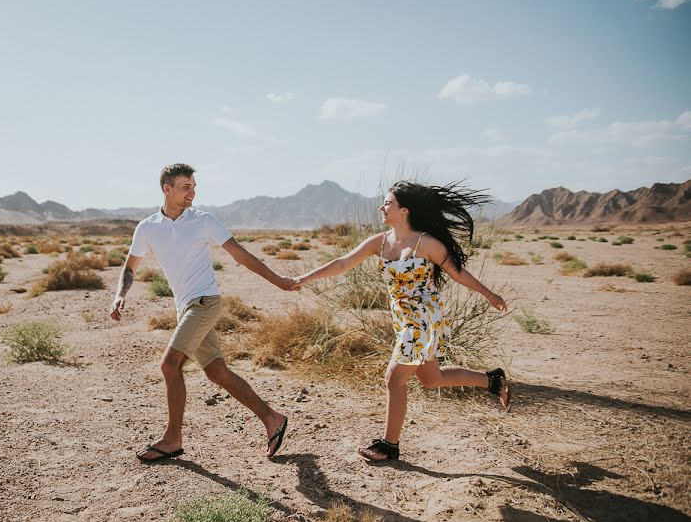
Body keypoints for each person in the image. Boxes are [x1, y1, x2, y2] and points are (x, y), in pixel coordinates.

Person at [293, 181, 510, 461]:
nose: (381, 208)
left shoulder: (426, 244)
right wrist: (304, 278)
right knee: (433, 378)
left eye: (387, 203)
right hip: (403, 319)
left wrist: (489, 295)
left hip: (423, 318)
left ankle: (389, 445)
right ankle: (492, 381)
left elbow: (458, 273)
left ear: (404, 210)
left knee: (394, 379)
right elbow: (343, 262)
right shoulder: (379, 241)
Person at [110, 163, 297, 462]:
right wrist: (120, 295)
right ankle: (272, 418)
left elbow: (240, 255)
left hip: (205, 302)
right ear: (166, 188)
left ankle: (172, 439)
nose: (192, 192)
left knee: (170, 366)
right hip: (185, 306)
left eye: (194, 186)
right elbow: (130, 267)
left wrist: (278, 281)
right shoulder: (147, 227)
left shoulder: (204, 221)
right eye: (186, 187)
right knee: (216, 371)